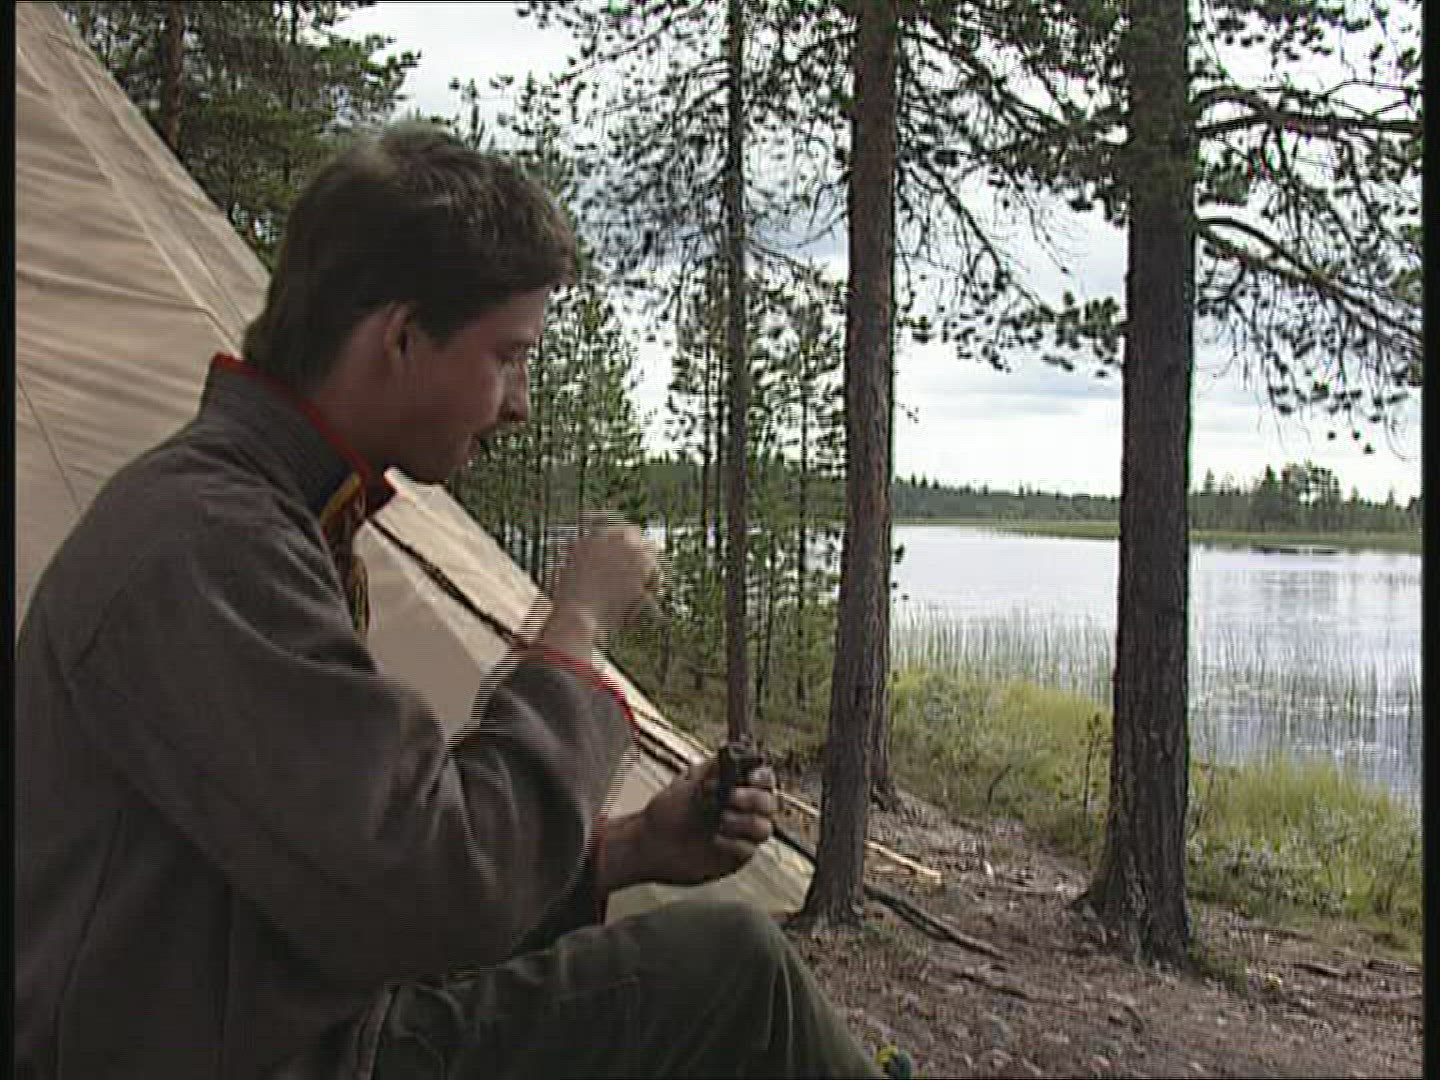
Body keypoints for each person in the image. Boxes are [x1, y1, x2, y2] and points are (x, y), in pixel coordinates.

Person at [15, 122, 883, 1079]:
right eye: (507, 356)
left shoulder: (254, 516)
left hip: (262, 1028)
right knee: (737, 975)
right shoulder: (210, 544)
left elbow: (344, 873)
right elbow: (433, 890)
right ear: (400, 337)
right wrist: (578, 626)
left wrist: (629, 849)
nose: (519, 403)